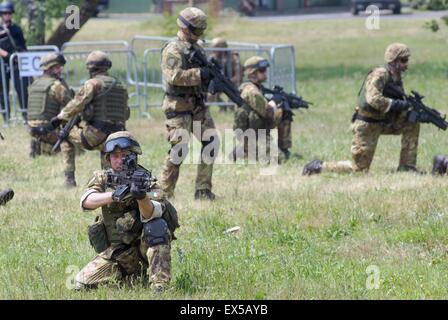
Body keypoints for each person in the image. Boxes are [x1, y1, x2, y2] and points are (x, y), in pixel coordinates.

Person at [75, 131, 176, 292]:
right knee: (81, 284)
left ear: (133, 156)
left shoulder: (146, 180)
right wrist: (114, 195)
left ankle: (159, 285)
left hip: (144, 247)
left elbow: (152, 212)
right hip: (118, 251)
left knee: (157, 226)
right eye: (114, 155)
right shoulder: (103, 177)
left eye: (124, 155)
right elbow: (86, 202)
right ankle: (132, 275)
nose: (119, 159)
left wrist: (141, 196)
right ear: (108, 158)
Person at [302, 43, 420, 175]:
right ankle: (319, 166)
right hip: (367, 125)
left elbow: (395, 104)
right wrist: (397, 104)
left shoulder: (396, 78)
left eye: (407, 60)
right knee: (359, 170)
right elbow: (373, 99)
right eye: (403, 60)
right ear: (393, 61)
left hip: (384, 121)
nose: (406, 64)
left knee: (412, 121)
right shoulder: (380, 75)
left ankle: (407, 167)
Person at [159, 7, 219, 200]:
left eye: (201, 31)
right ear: (185, 27)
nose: (198, 35)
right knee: (179, 149)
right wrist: (200, 74)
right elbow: (174, 76)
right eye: (196, 30)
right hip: (178, 107)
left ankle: (203, 190)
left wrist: (212, 78)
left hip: (197, 105)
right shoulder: (173, 49)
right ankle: (163, 194)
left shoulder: (197, 48)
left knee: (211, 141)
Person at [52, 50, 129, 187]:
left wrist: (60, 116)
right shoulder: (120, 86)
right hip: (119, 137)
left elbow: (77, 103)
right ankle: (110, 180)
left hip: (96, 136)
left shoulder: (93, 84)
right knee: (107, 150)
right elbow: (126, 113)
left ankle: (69, 180)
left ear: (90, 68)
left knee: (65, 133)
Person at [231, 56, 286, 162]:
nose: (265, 73)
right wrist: (275, 102)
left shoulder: (258, 88)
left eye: (265, 70)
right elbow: (267, 112)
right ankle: (243, 151)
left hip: (259, 133)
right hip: (252, 136)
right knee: (279, 158)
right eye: (262, 70)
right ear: (252, 74)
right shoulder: (251, 90)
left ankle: (244, 151)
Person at [27, 53, 75, 163]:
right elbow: (72, 106)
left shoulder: (35, 83)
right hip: (48, 129)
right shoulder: (56, 86)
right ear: (50, 68)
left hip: (31, 128)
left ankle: (39, 145)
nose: (60, 70)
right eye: (57, 67)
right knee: (76, 143)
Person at [0, 0, 29, 123]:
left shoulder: (16, 29)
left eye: (9, 13)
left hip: (16, 64)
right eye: (4, 13)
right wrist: (4, 54)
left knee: (21, 89)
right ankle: (6, 118)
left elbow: (23, 46)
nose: (7, 15)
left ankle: (25, 116)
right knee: (3, 91)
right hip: (1, 64)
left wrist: (22, 57)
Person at [208, 37, 242, 112]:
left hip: (232, 83)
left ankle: (231, 108)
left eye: (216, 49)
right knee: (211, 93)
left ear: (222, 48)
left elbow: (238, 75)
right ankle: (222, 107)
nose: (213, 51)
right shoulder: (213, 57)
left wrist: (228, 82)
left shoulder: (233, 57)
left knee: (233, 97)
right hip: (219, 82)